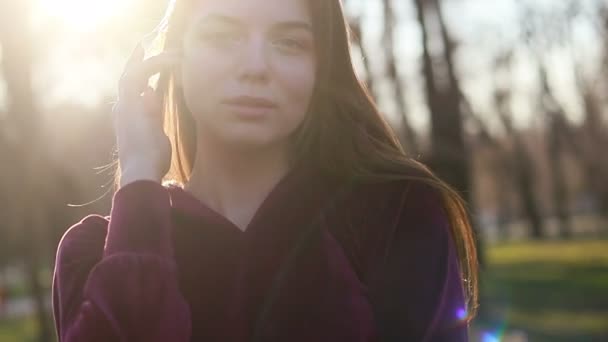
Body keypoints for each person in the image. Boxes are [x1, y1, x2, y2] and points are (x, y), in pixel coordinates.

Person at [52, 0, 478, 341]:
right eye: (223, 37)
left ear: (319, 70)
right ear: (175, 62)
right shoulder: (93, 254)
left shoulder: (396, 215)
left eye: (289, 43)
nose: (255, 66)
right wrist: (139, 176)